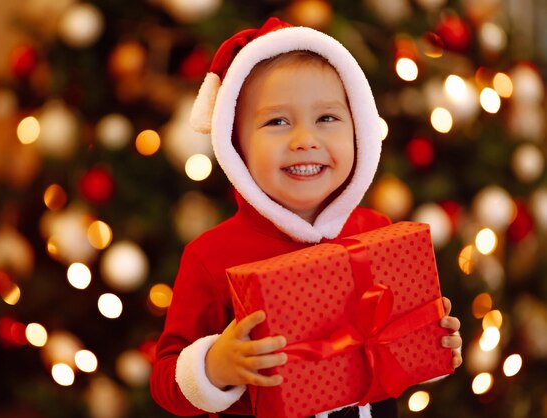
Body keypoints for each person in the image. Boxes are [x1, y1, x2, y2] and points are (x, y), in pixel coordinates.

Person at [150, 17, 462, 418]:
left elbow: (395, 340)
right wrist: (214, 366)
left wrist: (428, 341)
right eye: (277, 122)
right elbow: (164, 380)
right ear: (236, 144)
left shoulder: (376, 233)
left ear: (359, 129)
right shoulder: (210, 256)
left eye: (327, 118)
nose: (305, 140)